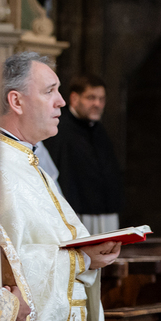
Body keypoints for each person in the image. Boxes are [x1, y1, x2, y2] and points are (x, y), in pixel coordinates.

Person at [0, 51, 122, 321]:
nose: (62, 101)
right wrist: (80, 258)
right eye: (50, 90)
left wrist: (86, 254)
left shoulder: (32, 164)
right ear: (16, 100)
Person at [43, 73, 123, 234]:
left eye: (101, 99)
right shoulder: (58, 128)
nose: (97, 104)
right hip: (77, 214)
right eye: (91, 98)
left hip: (106, 211)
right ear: (74, 98)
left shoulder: (99, 129)